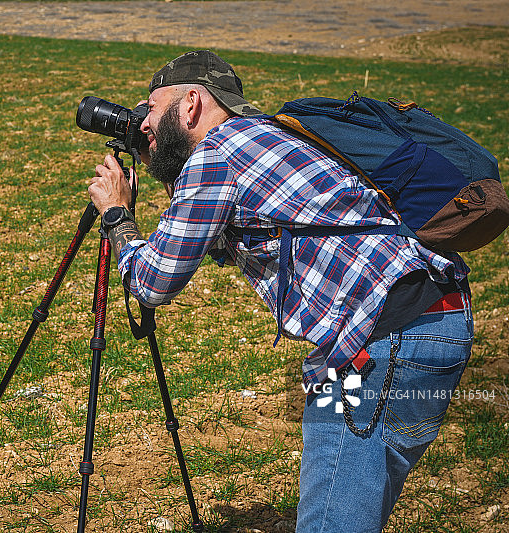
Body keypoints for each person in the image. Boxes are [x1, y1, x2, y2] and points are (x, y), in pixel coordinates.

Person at [87, 50, 473, 532]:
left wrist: (117, 215)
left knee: (332, 516)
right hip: (420, 327)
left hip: (384, 342)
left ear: (190, 104)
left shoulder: (217, 155)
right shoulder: (265, 137)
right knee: (343, 483)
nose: (143, 121)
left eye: (151, 105)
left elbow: (153, 282)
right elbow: (225, 239)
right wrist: (165, 166)